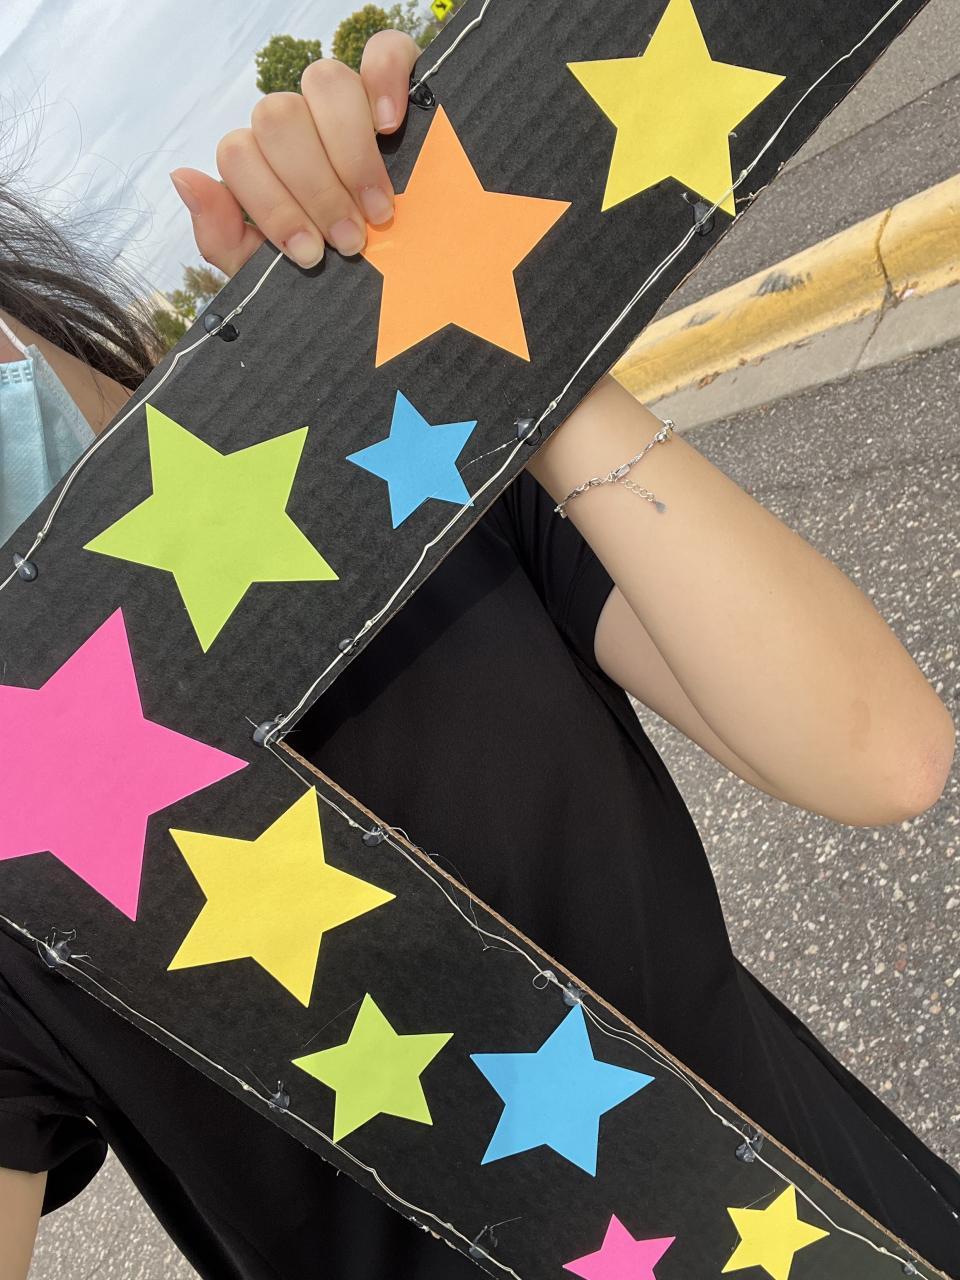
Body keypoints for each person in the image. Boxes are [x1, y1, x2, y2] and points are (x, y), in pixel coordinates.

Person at [1, 28, 958, 1280]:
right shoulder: (12, 873)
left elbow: (880, 753)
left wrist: (459, 302)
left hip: (838, 1231)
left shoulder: (385, 472)